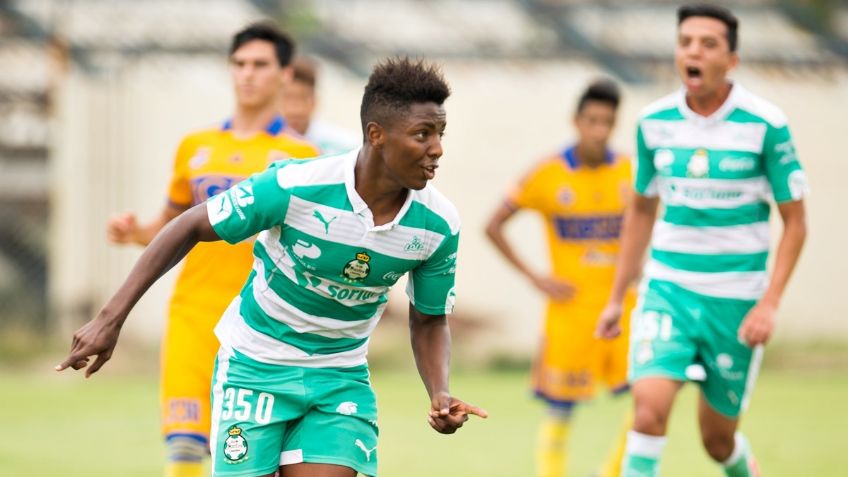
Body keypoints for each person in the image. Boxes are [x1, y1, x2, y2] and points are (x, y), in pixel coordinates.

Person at [58, 57, 487, 477]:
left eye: (440, 133)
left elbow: (429, 319)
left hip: (339, 376)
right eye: (423, 134)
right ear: (376, 134)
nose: (437, 148)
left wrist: (439, 391)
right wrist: (110, 319)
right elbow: (189, 225)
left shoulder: (437, 225)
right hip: (255, 365)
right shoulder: (295, 186)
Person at [596, 4, 808, 477]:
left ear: (731, 60)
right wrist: (615, 297)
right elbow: (642, 210)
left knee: (717, 441)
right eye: (686, 42)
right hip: (667, 290)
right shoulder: (654, 122)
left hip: (736, 302)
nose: (694, 52)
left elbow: (796, 222)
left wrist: (770, 303)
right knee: (648, 411)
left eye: (708, 44)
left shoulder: (765, 125)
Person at [104, 22, 319, 477]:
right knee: (184, 445)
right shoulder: (195, 147)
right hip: (193, 314)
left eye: (260, 64)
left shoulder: (301, 156)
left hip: (261, 323)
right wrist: (135, 231)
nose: (247, 73)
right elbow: (171, 227)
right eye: (239, 63)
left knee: (247, 451)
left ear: (285, 74)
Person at [485, 80, 634, 477]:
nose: (599, 130)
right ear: (576, 121)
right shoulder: (548, 173)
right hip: (571, 311)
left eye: (607, 122)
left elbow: (652, 221)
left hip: (623, 308)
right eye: (592, 120)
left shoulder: (629, 171)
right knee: (560, 409)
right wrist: (535, 278)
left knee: (648, 398)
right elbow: (493, 226)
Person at [280, 57, 360, 155]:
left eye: (304, 98)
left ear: (315, 101)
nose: (296, 110)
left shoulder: (346, 147)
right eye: (288, 98)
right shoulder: (265, 143)